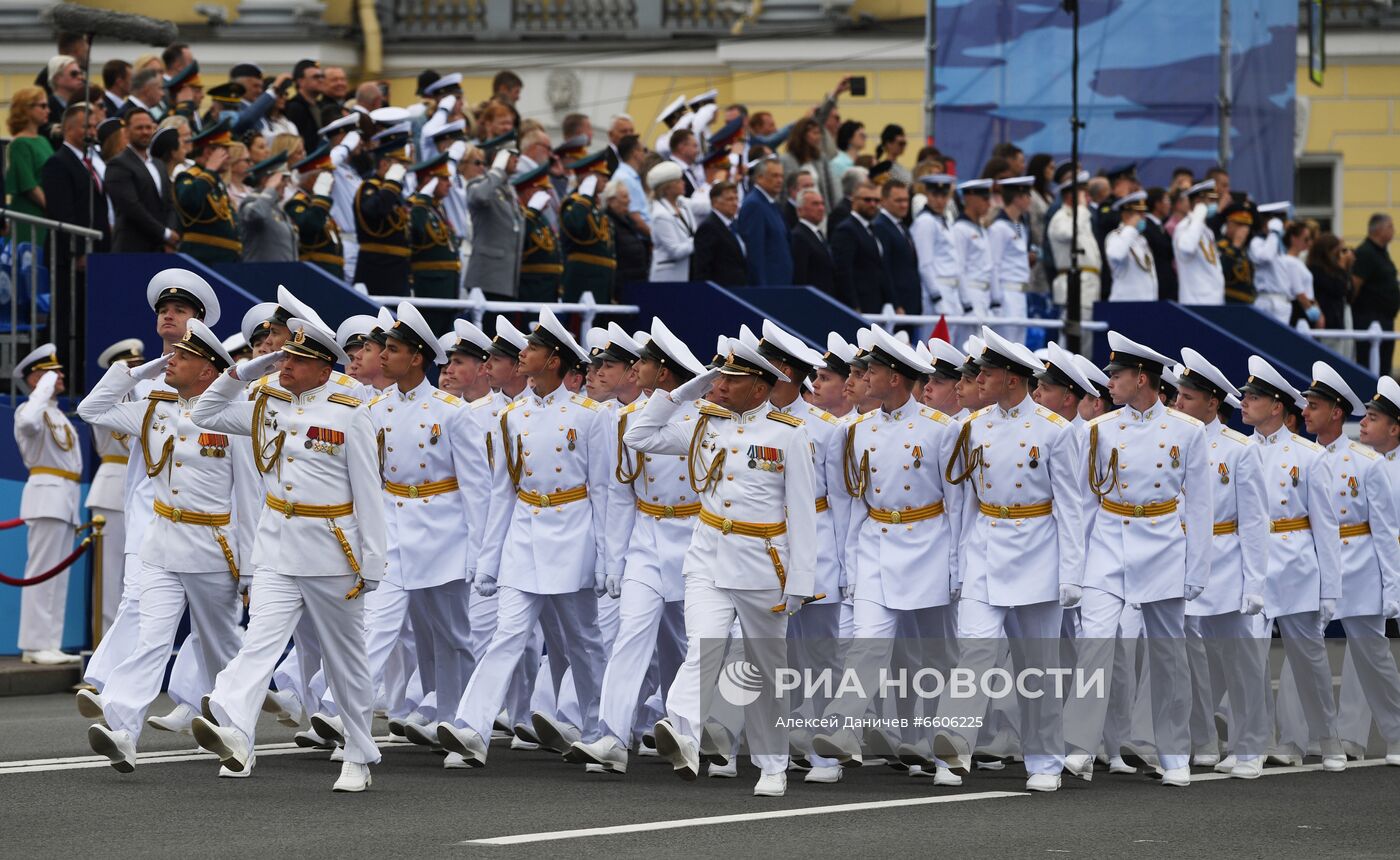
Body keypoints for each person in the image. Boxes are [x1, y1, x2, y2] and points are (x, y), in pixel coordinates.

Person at [189, 317, 386, 793]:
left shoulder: (349, 412)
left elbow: (369, 495)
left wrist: (373, 564)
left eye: (297, 360)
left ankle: (359, 752)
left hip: (332, 551)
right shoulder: (264, 400)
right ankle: (234, 728)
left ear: (323, 370)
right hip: (277, 545)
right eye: (284, 356)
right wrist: (246, 370)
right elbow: (206, 413)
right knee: (260, 642)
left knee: (345, 660)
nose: (286, 365)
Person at [623, 337, 817, 798]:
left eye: (732, 378)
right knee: (703, 647)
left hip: (763, 563)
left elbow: (803, 514)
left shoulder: (787, 433)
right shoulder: (703, 423)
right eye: (720, 376)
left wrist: (801, 581)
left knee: (766, 669)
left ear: (759, 387)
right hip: (708, 554)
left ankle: (772, 764)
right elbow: (639, 436)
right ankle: (684, 732)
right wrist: (682, 393)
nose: (721, 385)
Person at [436, 309, 613, 768]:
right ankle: (472, 726)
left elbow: (606, 494)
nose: (522, 356)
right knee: (507, 633)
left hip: (574, 534)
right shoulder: (512, 416)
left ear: (553, 361)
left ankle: (601, 730)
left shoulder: (589, 416)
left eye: (531, 350)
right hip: (525, 534)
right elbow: (503, 492)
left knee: (584, 641)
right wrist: (488, 559)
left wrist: (607, 560)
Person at [76, 321, 252, 774]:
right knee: (150, 639)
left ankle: (238, 733)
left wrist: (250, 569)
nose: (171, 358)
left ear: (209, 372)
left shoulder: (233, 416)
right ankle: (122, 729)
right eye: (171, 355)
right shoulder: (154, 407)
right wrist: (132, 374)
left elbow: (248, 498)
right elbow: (91, 409)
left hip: (212, 545)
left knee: (221, 647)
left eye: (183, 357)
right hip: (160, 543)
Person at [1063, 332, 1212, 788]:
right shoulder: (1098, 430)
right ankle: (1079, 746)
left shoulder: (1189, 431)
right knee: (1095, 643)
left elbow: (1201, 505)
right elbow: (1082, 505)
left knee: (1168, 655)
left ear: (1142, 377)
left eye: (1117, 375)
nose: (1109, 383)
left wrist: (1196, 569)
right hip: (1109, 542)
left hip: (1163, 543)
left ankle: (1173, 752)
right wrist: (1075, 568)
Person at [566, 319, 708, 774]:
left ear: (663, 373)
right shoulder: (629, 420)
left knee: (685, 648)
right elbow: (618, 495)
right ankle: (611, 735)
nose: (636, 368)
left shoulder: (704, 419)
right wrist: (614, 559)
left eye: (645, 362)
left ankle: (696, 733)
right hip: (648, 538)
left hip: (692, 537)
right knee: (631, 635)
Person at [357, 301, 477, 768]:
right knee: (377, 626)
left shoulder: (451, 412)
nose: (382, 355)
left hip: (443, 532)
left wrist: (478, 551)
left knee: (451, 635)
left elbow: (477, 488)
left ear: (417, 358)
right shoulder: (377, 407)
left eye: (392, 349)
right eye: (382, 347)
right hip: (392, 527)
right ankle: (345, 714)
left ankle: (458, 723)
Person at [1233, 355, 1346, 772]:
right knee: (1249, 657)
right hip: (1253, 563)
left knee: (1308, 660)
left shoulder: (1308, 456)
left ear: (1277, 405)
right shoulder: (1239, 449)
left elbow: (1326, 526)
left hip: (1295, 559)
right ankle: (1254, 744)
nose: (1244, 403)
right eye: (1245, 397)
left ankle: (1326, 737)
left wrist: (1330, 589)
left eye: (1254, 397)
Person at [1168, 348, 1271, 778]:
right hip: (1178, 560)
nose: (1178, 404)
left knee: (1237, 660)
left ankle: (1251, 747)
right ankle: (1201, 740)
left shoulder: (1238, 449)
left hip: (1224, 562)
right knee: (1189, 662)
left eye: (1188, 398)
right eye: (1177, 396)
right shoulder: (1168, 435)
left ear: (1213, 402)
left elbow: (1254, 522)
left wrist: (1254, 584)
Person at [10, 345, 83, 665]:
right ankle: (34, 644)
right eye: (53, 372)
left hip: (64, 497)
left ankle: (49, 642)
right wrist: (40, 387)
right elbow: (27, 423)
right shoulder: (30, 410)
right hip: (46, 495)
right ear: (37, 378)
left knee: (57, 576)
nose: (61, 376)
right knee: (41, 573)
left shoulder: (55, 413)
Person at [353, 126, 413, 295]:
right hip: (377, 270)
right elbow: (374, 211)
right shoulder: (369, 187)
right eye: (399, 163)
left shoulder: (394, 192)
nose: (404, 168)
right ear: (384, 163)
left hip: (397, 270)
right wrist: (392, 184)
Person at [406, 154, 461, 330]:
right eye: (444, 179)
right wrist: (423, 199)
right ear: (429, 180)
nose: (449, 184)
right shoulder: (415, 207)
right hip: (429, 289)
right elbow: (417, 232)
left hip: (446, 289)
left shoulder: (436, 207)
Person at [174, 119, 240, 263]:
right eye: (225, 150)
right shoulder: (189, 176)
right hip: (204, 260)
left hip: (226, 260)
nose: (229, 156)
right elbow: (189, 200)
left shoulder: (214, 181)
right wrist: (210, 170)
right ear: (210, 151)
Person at [465, 148, 525, 300]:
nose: (516, 159)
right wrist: (497, 171)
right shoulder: (478, 185)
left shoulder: (509, 189)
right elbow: (479, 196)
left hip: (507, 280)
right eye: (511, 155)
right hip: (487, 278)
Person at [559, 150, 617, 303]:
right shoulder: (574, 203)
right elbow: (574, 225)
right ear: (587, 178)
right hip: (582, 282)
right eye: (600, 174)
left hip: (601, 281)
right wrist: (584, 198)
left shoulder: (595, 206)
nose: (606, 178)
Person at [832, 179, 893, 312]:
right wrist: (854, 306)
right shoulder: (846, 230)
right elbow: (843, 271)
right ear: (854, 200)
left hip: (876, 303)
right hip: (859, 305)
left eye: (877, 201)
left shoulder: (873, 228)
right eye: (867, 200)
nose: (873, 204)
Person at [285, 145, 344, 281]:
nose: (332, 181)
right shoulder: (297, 203)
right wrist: (321, 196)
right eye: (326, 176)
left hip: (332, 275)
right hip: (314, 277)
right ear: (312, 179)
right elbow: (311, 224)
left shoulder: (318, 205)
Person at [6, 87, 54, 246]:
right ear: (26, 109)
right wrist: (53, 207)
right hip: (31, 213)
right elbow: (29, 185)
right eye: (42, 106)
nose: (48, 110)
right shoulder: (19, 143)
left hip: (45, 211)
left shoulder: (43, 140)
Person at [1352, 213, 1398, 375]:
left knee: (1383, 366)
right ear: (1378, 229)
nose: (1394, 230)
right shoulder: (1366, 252)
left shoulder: (1381, 252)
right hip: (1369, 319)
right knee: (1370, 365)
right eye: (1390, 226)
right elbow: (1355, 285)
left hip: (1384, 319)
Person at [735, 158, 792, 286]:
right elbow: (755, 251)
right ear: (759, 178)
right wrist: (761, 288)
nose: (779, 180)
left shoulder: (770, 202)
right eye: (774, 176)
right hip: (769, 286)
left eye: (781, 176)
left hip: (781, 282)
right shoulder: (754, 205)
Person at [512, 161, 562, 303]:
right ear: (529, 192)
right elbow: (519, 240)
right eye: (543, 191)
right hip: (530, 290)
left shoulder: (541, 218)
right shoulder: (521, 216)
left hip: (548, 290)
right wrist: (531, 213)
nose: (548, 196)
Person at [872, 178, 919, 317]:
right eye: (898, 201)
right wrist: (895, 303)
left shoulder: (902, 227)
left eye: (906, 200)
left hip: (910, 302)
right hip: (898, 306)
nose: (904, 205)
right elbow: (884, 268)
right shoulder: (880, 226)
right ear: (883, 201)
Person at [238, 153, 298, 263]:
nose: (286, 184)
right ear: (266, 180)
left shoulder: (277, 209)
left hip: (283, 275)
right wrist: (270, 188)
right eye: (282, 179)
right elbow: (255, 214)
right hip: (261, 275)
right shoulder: (251, 201)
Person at [1174, 180, 1225, 305]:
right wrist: (1198, 214)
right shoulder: (1184, 227)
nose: (1215, 204)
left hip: (1214, 301)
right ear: (1198, 202)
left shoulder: (1206, 230)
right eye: (1211, 200)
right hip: (1195, 302)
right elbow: (1187, 247)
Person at [691, 181, 747, 287]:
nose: (735, 203)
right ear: (715, 202)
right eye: (730, 199)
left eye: (736, 199)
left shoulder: (734, 224)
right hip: (721, 293)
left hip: (739, 289)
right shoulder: (708, 227)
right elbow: (702, 269)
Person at [647, 161, 695, 282]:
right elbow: (675, 251)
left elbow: (704, 205)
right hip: (668, 278)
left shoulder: (682, 204)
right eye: (678, 181)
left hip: (685, 274)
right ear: (667, 188)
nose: (683, 183)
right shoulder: (660, 214)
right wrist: (699, 240)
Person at [1105, 192, 1157, 301]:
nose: (1144, 218)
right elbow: (1117, 254)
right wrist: (1130, 227)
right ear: (1126, 215)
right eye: (1140, 214)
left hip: (1145, 304)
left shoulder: (1141, 239)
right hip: (1125, 303)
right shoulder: (1115, 236)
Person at [789, 188, 837, 300]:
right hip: (813, 300)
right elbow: (800, 275)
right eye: (815, 204)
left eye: (822, 204)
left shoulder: (817, 233)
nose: (821, 208)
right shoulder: (799, 236)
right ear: (800, 210)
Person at [781, 116, 836, 213]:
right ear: (802, 135)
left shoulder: (821, 158)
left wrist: (831, 211)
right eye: (815, 133)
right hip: (796, 212)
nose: (819, 137)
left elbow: (829, 187)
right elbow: (784, 190)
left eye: (819, 133)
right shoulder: (785, 160)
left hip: (820, 210)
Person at [603, 178, 650, 286]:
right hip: (621, 283)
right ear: (611, 201)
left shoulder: (627, 221)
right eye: (625, 197)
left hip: (636, 280)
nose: (629, 200)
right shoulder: (607, 223)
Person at [283, 60, 327, 154]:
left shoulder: (321, 105)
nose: (321, 80)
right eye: (315, 77)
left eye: (322, 76)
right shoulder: (294, 107)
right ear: (300, 81)